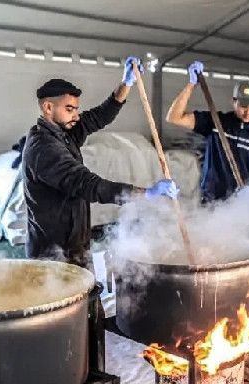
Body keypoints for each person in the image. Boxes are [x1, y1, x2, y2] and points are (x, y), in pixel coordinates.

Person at [23, 57, 178, 267]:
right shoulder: (44, 148)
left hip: (74, 247)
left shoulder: (62, 133)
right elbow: (88, 184)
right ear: (48, 107)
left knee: (88, 296)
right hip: (53, 258)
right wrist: (145, 194)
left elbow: (97, 117)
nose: (76, 116)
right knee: (70, 300)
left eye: (76, 109)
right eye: (70, 109)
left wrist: (126, 84)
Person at [165, 61, 249, 203]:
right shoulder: (216, 122)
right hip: (212, 204)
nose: (248, 111)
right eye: (243, 105)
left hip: (246, 207)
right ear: (234, 102)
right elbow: (174, 117)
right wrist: (191, 84)